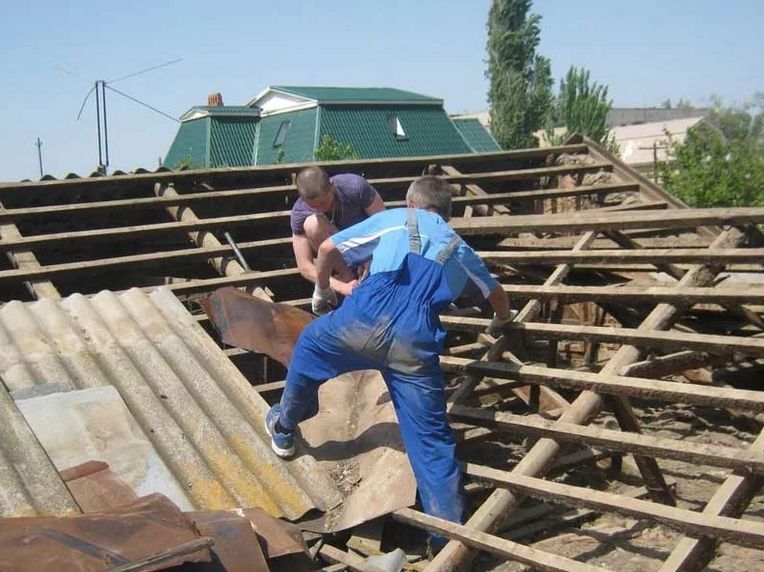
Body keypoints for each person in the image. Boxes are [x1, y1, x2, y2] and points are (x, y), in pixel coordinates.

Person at [266, 175, 513, 548]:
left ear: (412, 203)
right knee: (430, 440)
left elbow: (328, 246)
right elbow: (496, 294)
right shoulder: (461, 250)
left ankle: (285, 426)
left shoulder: (396, 219)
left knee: (309, 348)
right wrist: (503, 321)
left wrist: (322, 290)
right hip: (413, 344)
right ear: (447, 214)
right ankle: (445, 535)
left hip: (361, 320)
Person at [290, 166, 385, 296]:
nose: (319, 210)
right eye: (313, 206)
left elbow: (384, 224)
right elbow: (304, 266)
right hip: (338, 262)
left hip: (367, 248)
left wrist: (374, 258)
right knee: (312, 224)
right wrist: (341, 287)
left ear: (332, 186)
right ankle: (347, 278)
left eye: (323, 203)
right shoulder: (300, 212)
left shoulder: (354, 186)